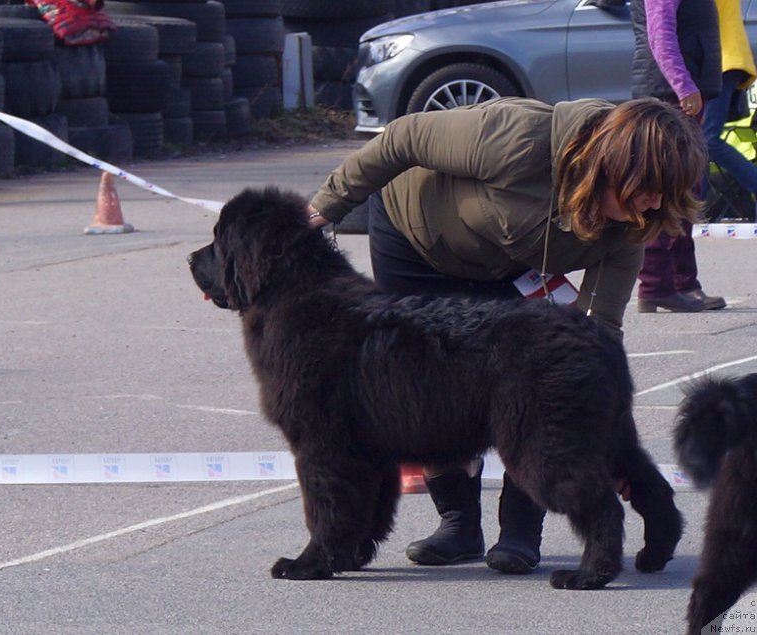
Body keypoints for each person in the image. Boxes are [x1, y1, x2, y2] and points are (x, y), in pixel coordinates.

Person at [307, 96, 707, 573]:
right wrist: (323, 210)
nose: (655, 204)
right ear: (612, 166)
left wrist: (601, 435)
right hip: (418, 239)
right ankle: (458, 524)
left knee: (533, 391)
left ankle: (520, 531)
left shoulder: (632, 227)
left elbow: (595, 338)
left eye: (666, 193)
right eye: (648, 190)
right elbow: (400, 140)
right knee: (429, 390)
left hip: (509, 263)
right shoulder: (516, 138)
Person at [631, 0, 726, 312]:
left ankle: (682, 283)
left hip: (675, 94)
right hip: (670, 96)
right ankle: (657, 285)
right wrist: (684, 86)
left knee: (682, 190)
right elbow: (661, 35)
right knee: (667, 189)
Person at [703, 0, 757, 197]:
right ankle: (695, 205)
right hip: (723, 58)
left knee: (706, 140)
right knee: (699, 140)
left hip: (723, 59)